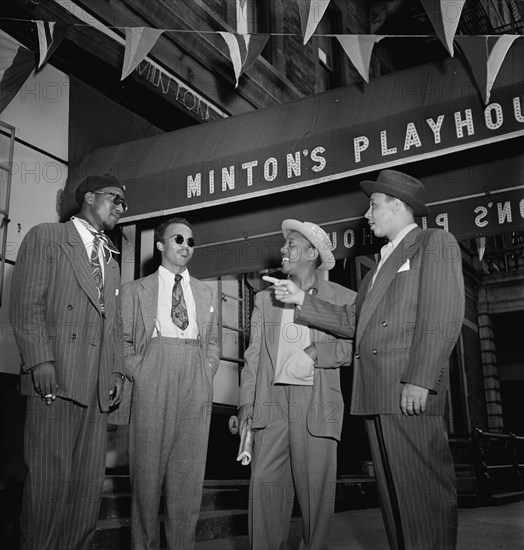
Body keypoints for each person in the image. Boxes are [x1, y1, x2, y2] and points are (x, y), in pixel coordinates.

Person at [267, 170, 465, 550]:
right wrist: (301, 300)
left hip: (407, 389)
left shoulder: (433, 242)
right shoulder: (376, 270)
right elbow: (351, 321)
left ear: (397, 205)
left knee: (423, 498)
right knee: (396, 505)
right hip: (378, 392)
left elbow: (442, 315)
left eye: (373, 206)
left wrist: (421, 379)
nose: (368, 214)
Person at [9, 174, 127, 550]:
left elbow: (114, 324)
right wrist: (39, 359)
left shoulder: (111, 261)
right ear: (88, 198)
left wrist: (117, 372)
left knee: (86, 493)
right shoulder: (47, 237)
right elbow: (27, 305)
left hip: (95, 392)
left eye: (124, 205)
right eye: (115, 199)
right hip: (55, 380)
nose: (121, 209)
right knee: (47, 489)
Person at [239, 220, 355, 550]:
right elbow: (254, 355)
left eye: (291, 244)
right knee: (264, 494)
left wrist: (317, 352)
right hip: (270, 406)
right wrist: (247, 404)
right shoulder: (265, 300)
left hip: (317, 405)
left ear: (312, 252)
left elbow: (356, 345)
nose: (282, 250)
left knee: (316, 503)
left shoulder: (343, 298)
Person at [121, 217, 220, 550]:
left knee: (188, 481)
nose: (185, 247)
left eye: (191, 242)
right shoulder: (136, 290)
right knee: (146, 481)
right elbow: (121, 341)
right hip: (154, 373)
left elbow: (214, 342)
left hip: (195, 374)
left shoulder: (206, 292)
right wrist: (142, 371)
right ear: (161, 244)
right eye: (178, 239)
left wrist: (206, 370)